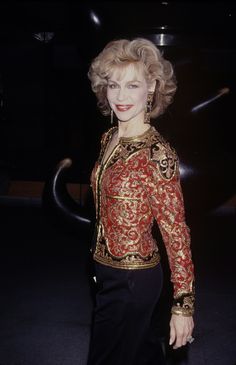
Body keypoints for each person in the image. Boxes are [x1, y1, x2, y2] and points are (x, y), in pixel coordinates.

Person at [87, 37, 195, 365]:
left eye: (132, 85)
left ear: (151, 89)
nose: (120, 96)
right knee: (140, 355)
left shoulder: (157, 155)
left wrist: (183, 306)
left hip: (134, 279)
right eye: (113, 85)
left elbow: (176, 234)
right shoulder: (110, 137)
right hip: (104, 271)